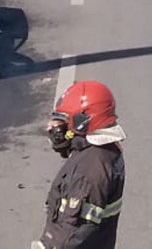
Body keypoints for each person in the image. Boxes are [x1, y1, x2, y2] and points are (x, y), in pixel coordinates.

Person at [32, 80, 126, 249]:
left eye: (62, 120)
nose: (51, 126)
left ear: (82, 122)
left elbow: (75, 228)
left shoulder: (91, 169)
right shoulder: (102, 151)